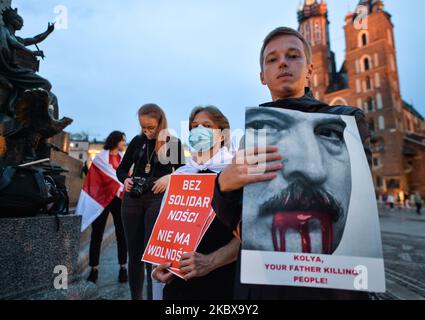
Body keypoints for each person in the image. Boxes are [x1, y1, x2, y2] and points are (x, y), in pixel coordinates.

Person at [212, 27, 373, 300]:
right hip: (263, 285)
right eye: (272, 59)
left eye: (293, 55)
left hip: (334, 287)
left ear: (310, 70)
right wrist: (223, 185)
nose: (283, 62)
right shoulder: (252, 135)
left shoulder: (346, 118)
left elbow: (360, 194)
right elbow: (238, 221)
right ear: (262, 76)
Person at [152, 106, 240, 300]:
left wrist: (210, 262)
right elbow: (165, 227)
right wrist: (157, 265)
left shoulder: (235, 173)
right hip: (178, 282)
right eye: (194, 126)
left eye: (207, 125)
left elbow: (249, 236)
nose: (198, 130)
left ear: (222, 135)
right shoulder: (180, 175)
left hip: (222, 281)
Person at [117, 104, 185, 300]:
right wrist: (126, 179)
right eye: (143, 127)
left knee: (151, 255)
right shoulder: (137, 141)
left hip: (157, 198)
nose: (146, 132)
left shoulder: (173, 143)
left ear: (160, 122)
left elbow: (183, 172)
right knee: (135, 254)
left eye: (151, 128)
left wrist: (169, 178)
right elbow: (121, 169)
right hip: (133, 198)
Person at [86, 131, 128, 284]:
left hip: (118, 199)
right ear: (116, 141)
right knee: (97, 234)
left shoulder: (124, 159)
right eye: (123, 140)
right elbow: (95, 177)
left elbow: (126, 177)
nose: (124, 142)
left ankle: (123, 268)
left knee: (122, 234)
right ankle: (94, 269)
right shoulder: (100, 158)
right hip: (101, 199)